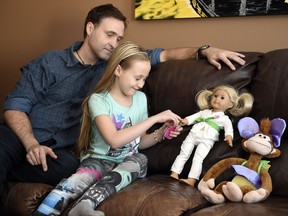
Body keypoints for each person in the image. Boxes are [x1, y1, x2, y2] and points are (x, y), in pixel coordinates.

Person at [0, 3, 246, 213]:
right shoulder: (49, 62)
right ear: (90, 28)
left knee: (68, 168)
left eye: (118, 38)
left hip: (61, 150)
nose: (113, 43)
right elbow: (15, 107)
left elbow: (164, 55)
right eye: (109, 35)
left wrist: (204, 50)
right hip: (21, 135)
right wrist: (31, 144)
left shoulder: (118, 67)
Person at [33, 41, 182, 216]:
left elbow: (140, 143)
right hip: (98, 160)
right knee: (72, 185)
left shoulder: (140, 99)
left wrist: (161, 132)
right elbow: (114, 140)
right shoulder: (98, 100)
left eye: (144, 79)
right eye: (137, 78)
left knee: (140, 159)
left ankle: (85, 205)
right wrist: (155, 119)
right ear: (118, 70)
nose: (141, 84)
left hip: (127, 162)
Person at [170, 85, 254, 186]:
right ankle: (174, 173)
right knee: (183, 153)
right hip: (193, 134)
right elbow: (194, 117)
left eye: (222, 98)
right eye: (215, 96)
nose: (217, 99)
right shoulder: (204, 112)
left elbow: (229, 128)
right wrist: (186, 121)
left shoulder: (224, 119)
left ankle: (192, 179)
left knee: (198, 158)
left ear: (230, 105)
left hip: (207, 139)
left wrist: (229, 137)